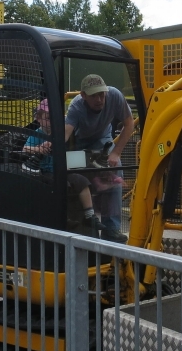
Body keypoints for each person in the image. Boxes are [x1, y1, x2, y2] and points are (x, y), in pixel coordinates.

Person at [64, 74, 136, 241]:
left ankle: (111, 230)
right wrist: (56, 149)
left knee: (115, 167)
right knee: (73, 174)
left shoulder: (115, 96)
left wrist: (116, 152)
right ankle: (81, 221)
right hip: (79, 143)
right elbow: (66, 132)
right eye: (93, 95)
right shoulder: (76, 106)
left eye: (101, 94)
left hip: (102, 140)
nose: (99, 99)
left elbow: (129, 123)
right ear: (83, 95)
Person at [23, 99, 100, 236]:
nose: (51, 122)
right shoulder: (37, 134)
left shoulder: (60, 135)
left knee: (82, 181)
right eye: (47, 118)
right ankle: (63, 216)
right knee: (61, 184)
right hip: (45, 172)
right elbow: (25, 149)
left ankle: (89, 216)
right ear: (39, 119)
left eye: (53, 118)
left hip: (61, 169)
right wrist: (38, 149)